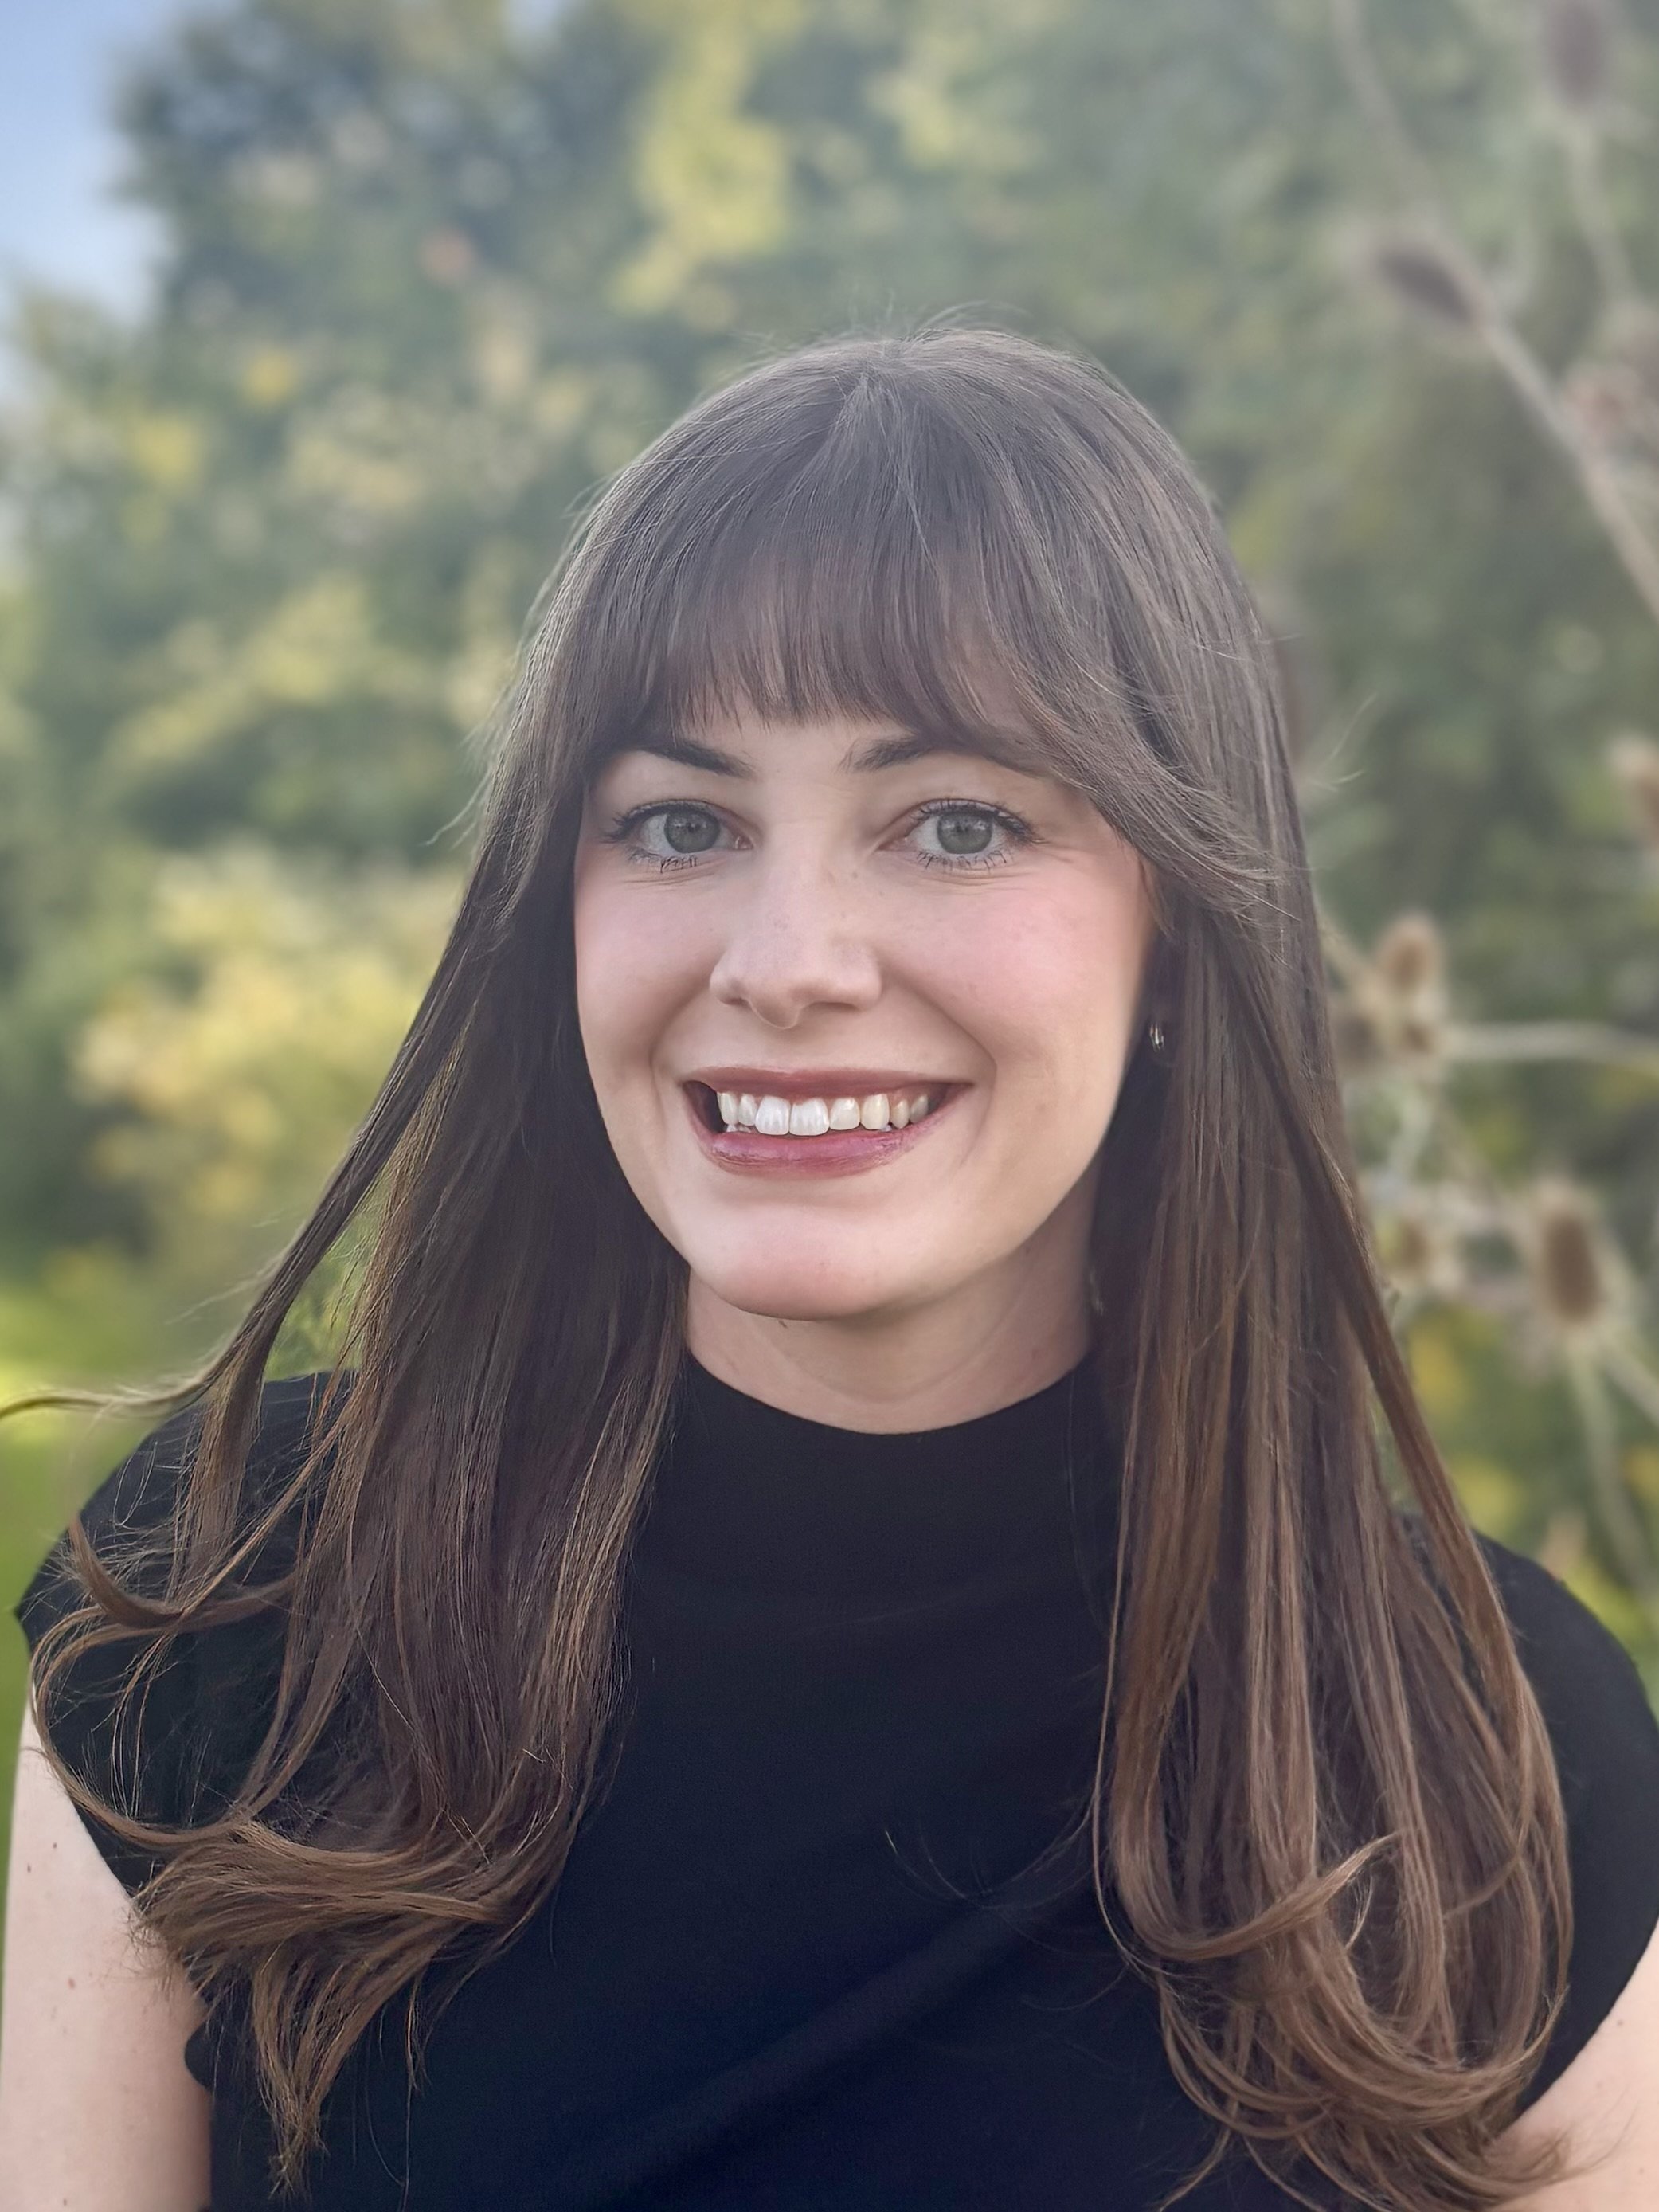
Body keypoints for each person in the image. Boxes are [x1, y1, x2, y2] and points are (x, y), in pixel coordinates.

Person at [2, 323, 1657, 2212]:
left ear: (1182, 930)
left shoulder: (1493, 1748)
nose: (787, 959)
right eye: (680, 824)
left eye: (956, 823)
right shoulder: (223, 1609)